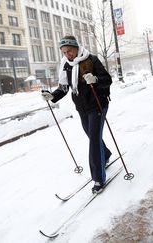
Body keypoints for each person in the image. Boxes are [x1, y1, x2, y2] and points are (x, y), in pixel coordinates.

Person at [42, 35, 113, 194]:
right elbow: (64, 88)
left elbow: (107, 80)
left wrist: (95, 79)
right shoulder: (66, 65)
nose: (68, 55)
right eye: (64, 52)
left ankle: (98, 178)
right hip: (82, 108)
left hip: (98, 105)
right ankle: (106, 154)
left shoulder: (92, 60)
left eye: (70, 51)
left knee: (94, 141)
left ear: (76, 47)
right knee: (91, 135)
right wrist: (52, 96)